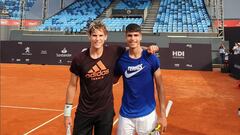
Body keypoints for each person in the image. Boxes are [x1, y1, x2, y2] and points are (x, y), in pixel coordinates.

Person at [64, 21, 159, 135]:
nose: (97, 39)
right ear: (89, 36)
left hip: (105, 113)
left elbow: (134, 46)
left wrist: (151, 48)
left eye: (100, 35)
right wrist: (67, 113)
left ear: (105, 37)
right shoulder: (79, 59)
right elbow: (72, 85)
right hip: (84, 112)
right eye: (94, 35)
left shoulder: (113, 51)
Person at [114, 23, 167, 135]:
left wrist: (163, 115)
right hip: (126, 115)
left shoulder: (151, 58)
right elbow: (112, 80)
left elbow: (160, 86)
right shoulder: (121, 60)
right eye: (130, 35)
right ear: (125, 37)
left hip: (148, 115)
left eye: (136, 35)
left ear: (141, 36)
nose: (133, 38)